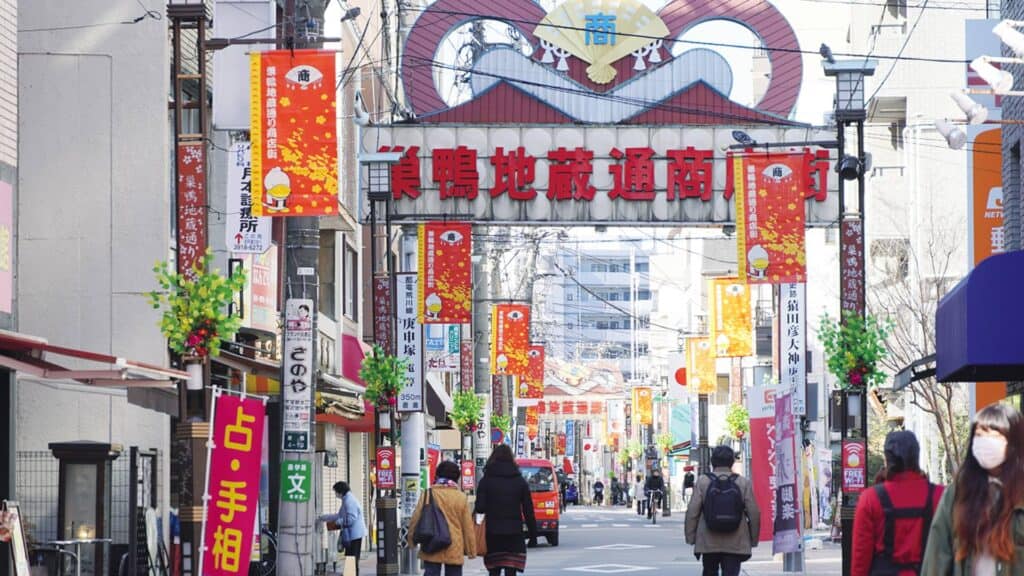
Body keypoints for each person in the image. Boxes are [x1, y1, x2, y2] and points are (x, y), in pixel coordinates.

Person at [922, 403, 1024, 574]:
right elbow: (937, 555)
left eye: (994, 436)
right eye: (979, 436)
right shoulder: (958, 494)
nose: (985, 443)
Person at [851, 431, 943, 576]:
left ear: (887, 460)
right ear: (917, 456)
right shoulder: (940, 496)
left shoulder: (870, 499)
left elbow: (860, 561)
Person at [685, 445, 760, 576]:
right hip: (736, 540)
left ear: (712, 461)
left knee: (709, 571)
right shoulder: (743, 482)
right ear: (732, 461)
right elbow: (754, 512)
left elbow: (692, 511)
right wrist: (753, 539)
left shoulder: (703, 481)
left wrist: (691, 537)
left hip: (708, 539)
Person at [475, 444, 537, 576]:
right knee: (511, 569)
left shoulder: (486, 481)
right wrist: (533, 534)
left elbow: (480, 507)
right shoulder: (520, 481)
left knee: (494, 569)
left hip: (492, 533)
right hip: (514, 533)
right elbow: (528, 510)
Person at [407, 461, 476, 576]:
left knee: (431, 572)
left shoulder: (428, 494)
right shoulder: (461, 497)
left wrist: (411, 540)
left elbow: (416, 518)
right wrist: (471, 550)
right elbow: (467, 526)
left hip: (431, 542)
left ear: (438, 475)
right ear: (456, 478)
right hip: (454, 545)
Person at [320, 481, 368, 576]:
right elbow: (339, 515)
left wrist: (337, 522)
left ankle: (351, 574)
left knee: (352, 558)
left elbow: (350, 518)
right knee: (351, 557)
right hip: (353, 534)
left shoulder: (349, 501)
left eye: (336, 492)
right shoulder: (347, 499)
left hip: (354, 534)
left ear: (340, 491)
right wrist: (324, 517)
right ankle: (350, 574)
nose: (335, 494)